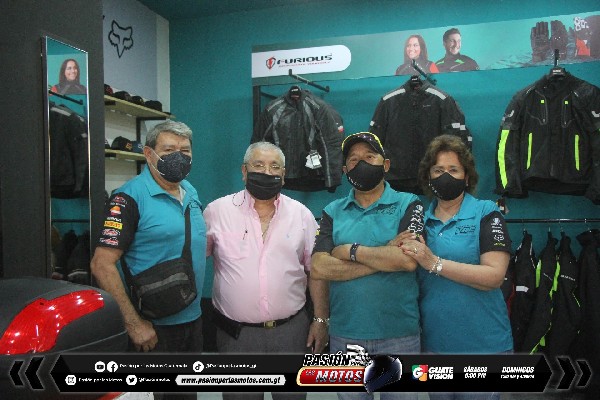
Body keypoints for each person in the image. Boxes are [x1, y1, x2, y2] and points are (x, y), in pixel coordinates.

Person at [204, 141, 329, 400]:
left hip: (291, 333)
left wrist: (320, 320)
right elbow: (195, 259)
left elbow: (315, 271)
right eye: (258, 165)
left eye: (274, 167)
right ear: (244, 171)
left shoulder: (302, 215)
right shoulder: (216, 212)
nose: (267, 172)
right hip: (236, 337)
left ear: (283, 174)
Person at [90, 120, 205, 400]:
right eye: (168, 149)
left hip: (192, 319)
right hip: (153, 328)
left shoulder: (190, 191)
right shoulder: (128, 198)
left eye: (185, 150)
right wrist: (133, 324)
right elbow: (101, 264)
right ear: (148, 153)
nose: (178, 156)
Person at [311, 132, 424, 400]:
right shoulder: (332, 211)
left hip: (400, 335)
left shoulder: (409, 203)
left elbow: (408, 260)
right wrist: (386, 256)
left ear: (386, 164)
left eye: (369, 157)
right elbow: (319, 268)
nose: (361, 163)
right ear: (344, 170)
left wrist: (351, 251)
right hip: (345, 335)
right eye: (353, 159)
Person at [399, 134, 512, 400]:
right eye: (438, 170)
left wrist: (434, 263)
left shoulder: (486, 212)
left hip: (483, 348)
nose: (445, 176)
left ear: (467, 177)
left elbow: (494, 276)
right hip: (434, 348)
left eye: (453, 170)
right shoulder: (418, 220)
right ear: (428, 177)